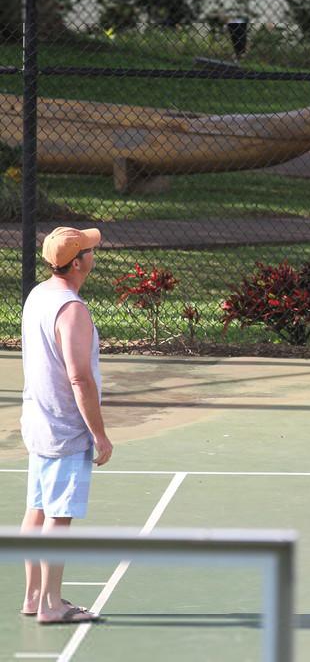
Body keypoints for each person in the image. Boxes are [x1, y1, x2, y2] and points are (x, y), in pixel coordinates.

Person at [19, 226, 113, 624]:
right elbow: (79, 378)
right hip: (64, 428)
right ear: (77, 263)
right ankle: (51, 605)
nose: (93, 254)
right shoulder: (72, 310)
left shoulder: (38, 295)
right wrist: (99, 434)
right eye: (89, 250)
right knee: (57, 516)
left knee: (37, 510)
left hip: (38, 422)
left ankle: (33, 597)